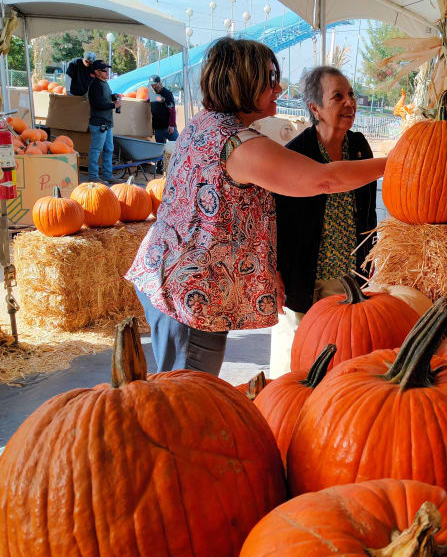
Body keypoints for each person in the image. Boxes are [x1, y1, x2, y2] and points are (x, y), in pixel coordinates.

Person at [125, 37, 387, 376]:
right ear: (243, 83)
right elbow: (323, 181)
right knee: (189, 396)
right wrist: (394, 164)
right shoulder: (238, 144)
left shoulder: (206, 124)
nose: (277, 88)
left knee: (181, 390)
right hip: (191, 294)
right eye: (269, 79)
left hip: (171, 278)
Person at [269, 66, 378, 378]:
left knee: (338, 367)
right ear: (315, 108)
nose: (349, 103)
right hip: (301, 280)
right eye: (338, 97)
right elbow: (278, 222)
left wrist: (367, 263)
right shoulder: (296, 153)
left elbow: (367, 213)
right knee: (291, 371)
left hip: (345, 278)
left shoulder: (359, 148)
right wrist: (274, 271)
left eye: (351, 95)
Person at [87, 60, 121, 184]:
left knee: (108, 149)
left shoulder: (104, 83)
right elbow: (97, 104)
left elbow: (104, 98)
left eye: (107, 69)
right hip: (98, 123)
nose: (107, 72)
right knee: (96, 150)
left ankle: (107, 175)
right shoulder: (95, 85)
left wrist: (113, 96)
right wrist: (114, 104)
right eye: (103, 70)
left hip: (106, 123)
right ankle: (93, 176)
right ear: (96, 72)